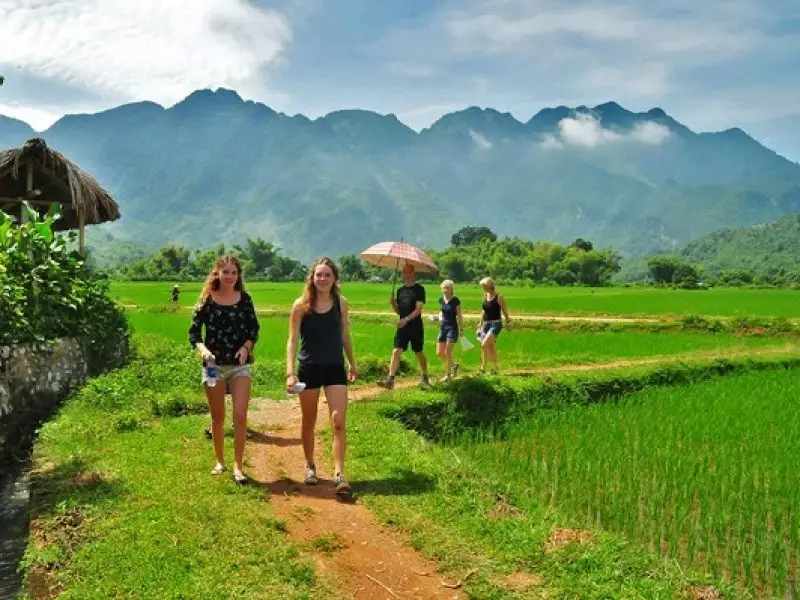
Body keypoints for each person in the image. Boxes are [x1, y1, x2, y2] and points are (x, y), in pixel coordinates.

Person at [286, 257, 358, 495]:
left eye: (327, 275)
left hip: (335, 367)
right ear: (312, 278)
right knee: (309, 420)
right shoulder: (301, 305)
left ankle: (339, 474)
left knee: (338, 421)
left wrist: (353, 363)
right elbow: (292, 340)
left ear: (335, 278)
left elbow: (345, 335)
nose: (323, 279)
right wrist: (290, 373)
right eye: (319, 275)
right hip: (309, 368)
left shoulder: (341, 303)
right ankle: (309, 466)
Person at [188, 255, 259, 484]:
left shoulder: (245, 299)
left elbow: (253, 329)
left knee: (240, 415)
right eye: (225, 272)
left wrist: (246, 347)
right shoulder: (207, 300)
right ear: (217, 273)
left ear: (238, 276)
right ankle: (220, 461)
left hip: (239, 367)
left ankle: (239, 466)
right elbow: (194, 334)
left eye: (234, 273)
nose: (229, 277)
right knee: (217, 417)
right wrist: (203, 350)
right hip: (213, 367)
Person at [377, 263, 429, 390]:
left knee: (418, 351)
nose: (406, 274)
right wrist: (393, 304)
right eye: (404, 272)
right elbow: (399, 311)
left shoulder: (419, 289)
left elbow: (418, 309)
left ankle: (424, 375)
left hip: (415, 326)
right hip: (402, 326)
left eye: (408, 272)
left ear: (413, 273)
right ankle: (390, 380)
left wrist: (406, 320)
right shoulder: (400, 290)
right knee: (396, 351)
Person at [476, 277, 511, 374]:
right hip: (486, 324)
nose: (483, 288)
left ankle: (483, 368)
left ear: (490, 285)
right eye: (483, 286)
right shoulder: (485, 295)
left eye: (485, 286)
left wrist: (508, 322)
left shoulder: (499, 297)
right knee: (490, 347)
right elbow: (483, 310)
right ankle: (496, 368)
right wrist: (480, 322)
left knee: (484, 345)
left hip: (496, 324)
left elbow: (504, 310)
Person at [436, 279, 463, 381]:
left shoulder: (455, 300)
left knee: (447, 352)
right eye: (444, 288)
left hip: (452, 328)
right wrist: (437, 317)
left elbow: (459, 315)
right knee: (439, 353)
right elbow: (441, 312)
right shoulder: (441, 300)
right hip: (443, 327)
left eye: (447, 288)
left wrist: (461, 329)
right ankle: (454, 365)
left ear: (451, 289)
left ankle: (448, 375)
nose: (445, 290)